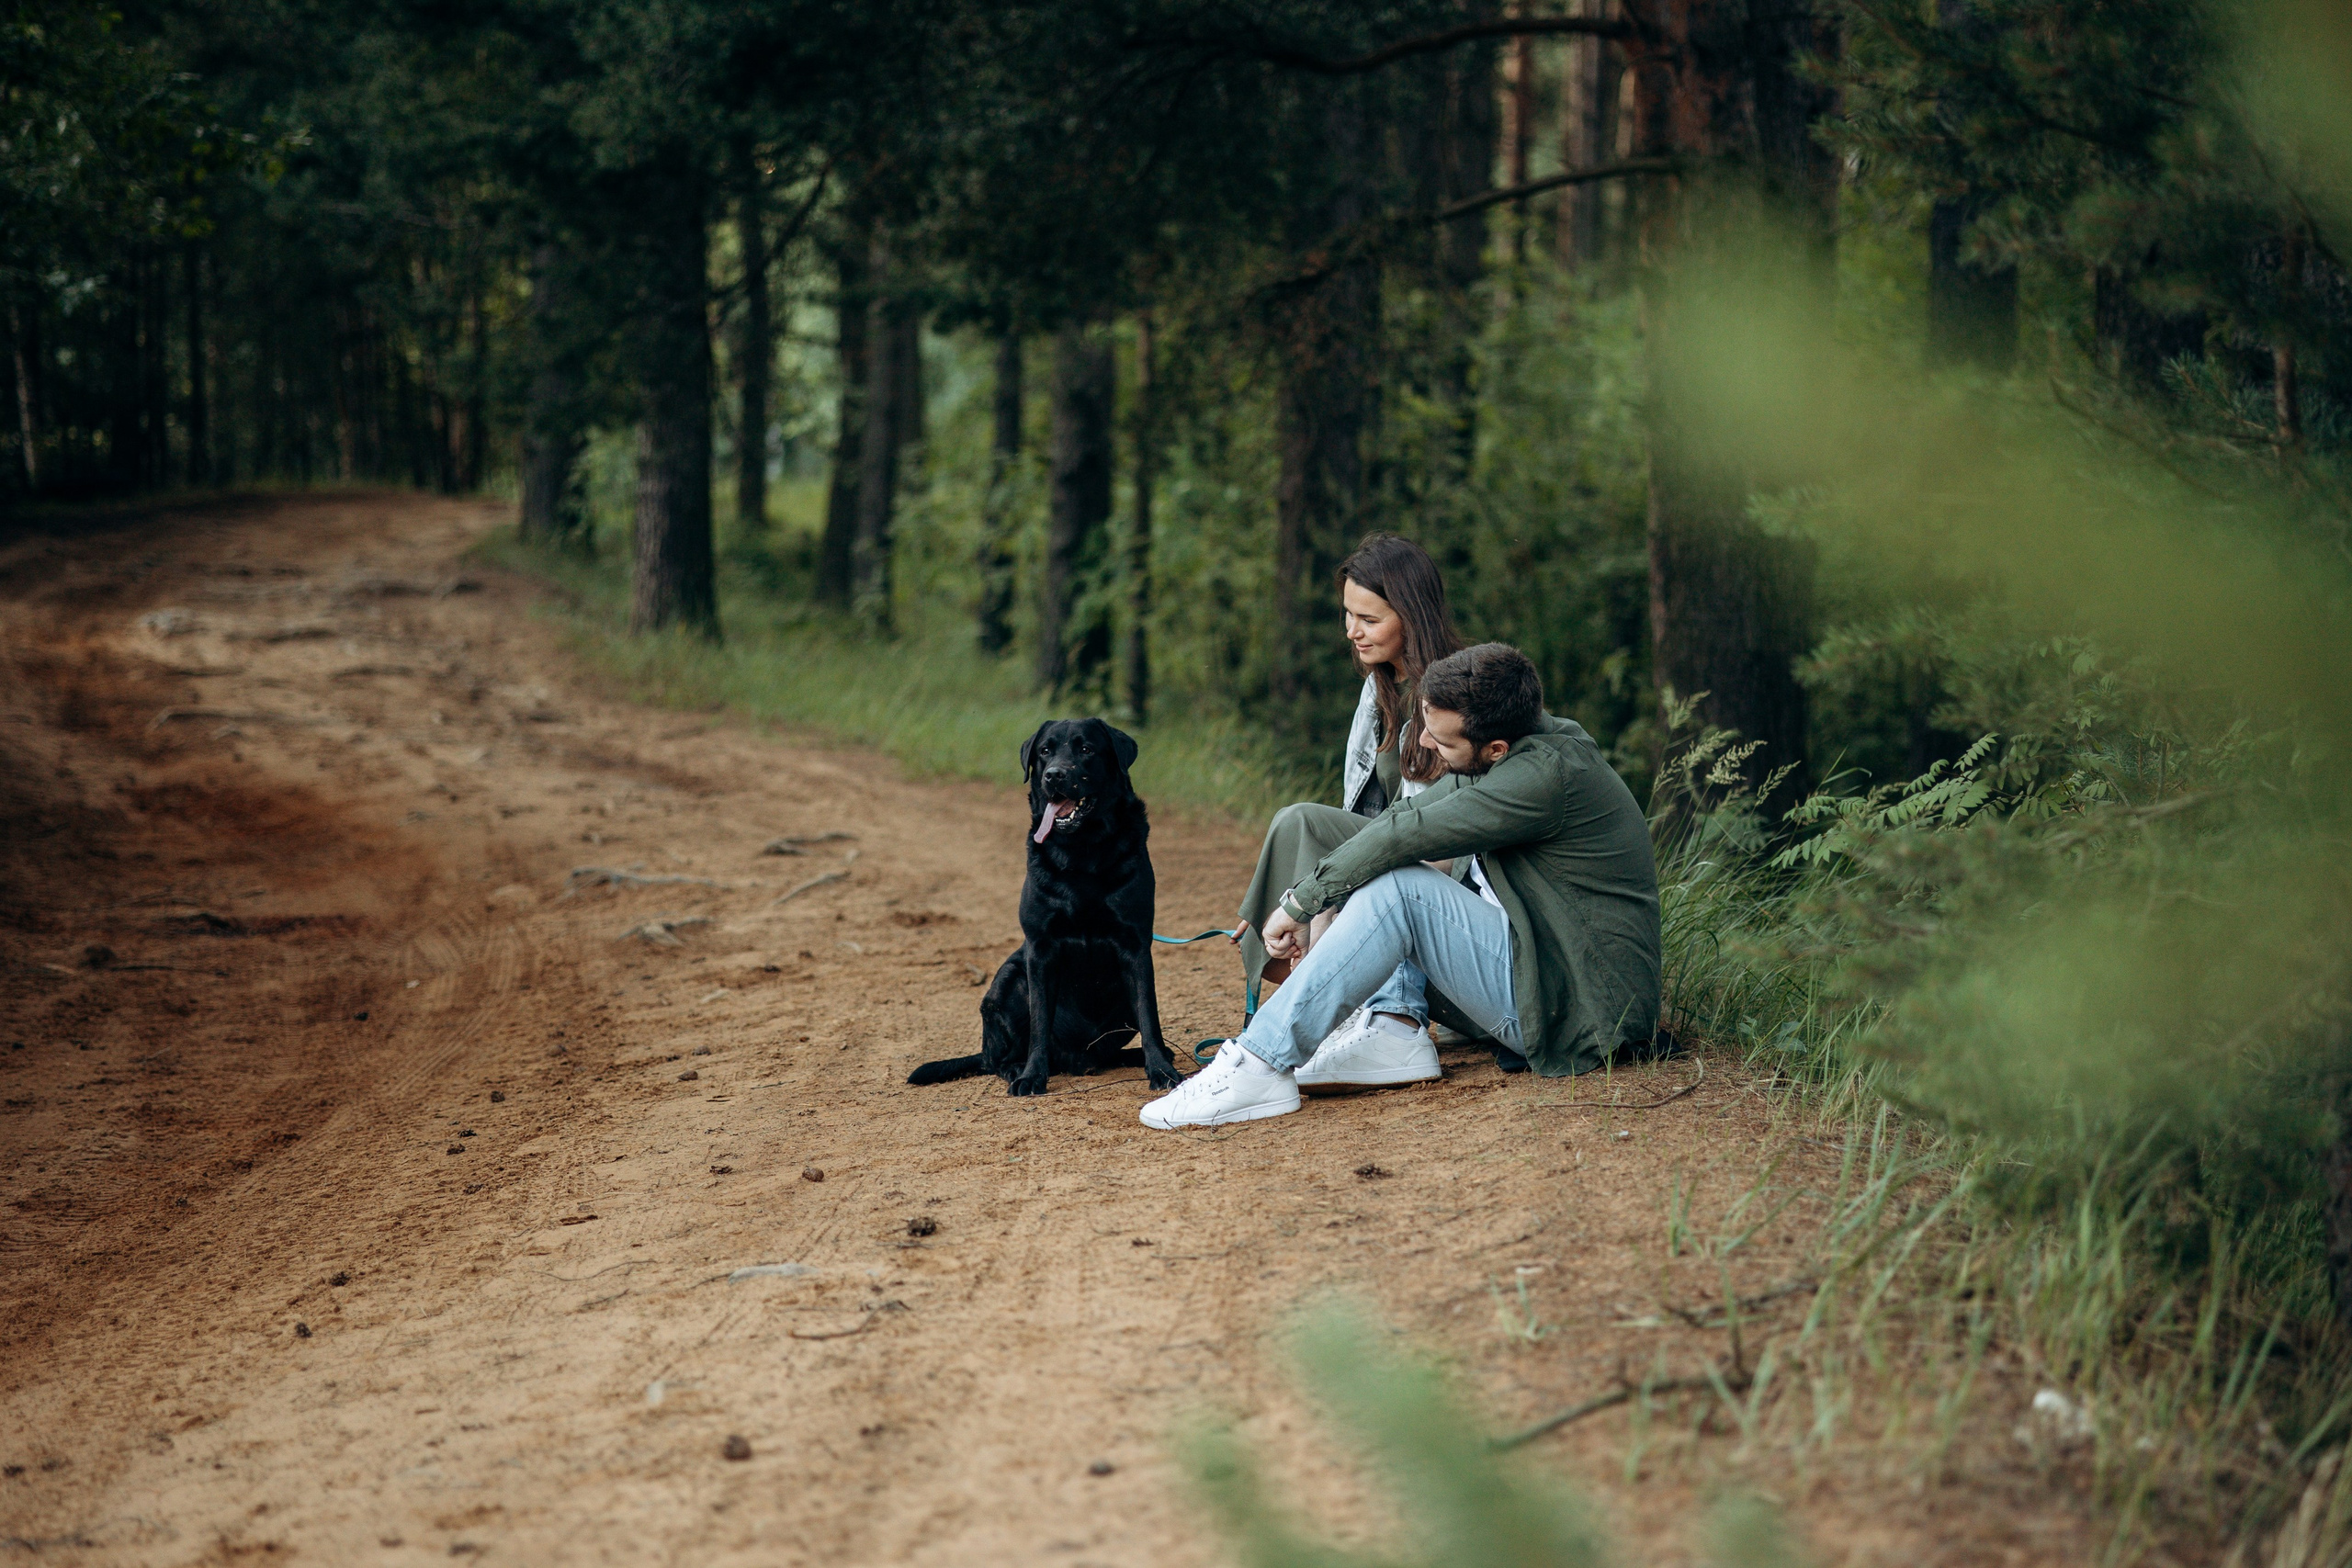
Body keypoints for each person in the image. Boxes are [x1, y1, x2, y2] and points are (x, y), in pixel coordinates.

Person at [1142, 643, 1661, 1131]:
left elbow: (1407, 835)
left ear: (1496, 749)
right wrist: (1329, 902)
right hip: (1545, 979)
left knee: (1403, 888)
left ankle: (1259, 1063)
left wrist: (1302, 902)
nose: (1427, 743)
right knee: (1387, 874)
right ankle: (1371, 1034)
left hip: (1582, 1016)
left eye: (1442, 738)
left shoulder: (1543, 778)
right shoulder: (1514, 751)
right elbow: (1408, 816)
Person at [1230, 534, 1480, 1082]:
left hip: (1455, 898)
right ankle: (1315, 999)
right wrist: (1308, 899)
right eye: (1347, 615)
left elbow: (1436, 842)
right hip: (1394, 857)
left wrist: (1321, 902)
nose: (1352, 631)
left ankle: (1389, 1021)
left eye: (1368, 618)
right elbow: (1356, 818)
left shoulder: (1457, 694)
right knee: (1301, 820)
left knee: (1367, 856)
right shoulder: (1381, 688)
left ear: (1411, 616)